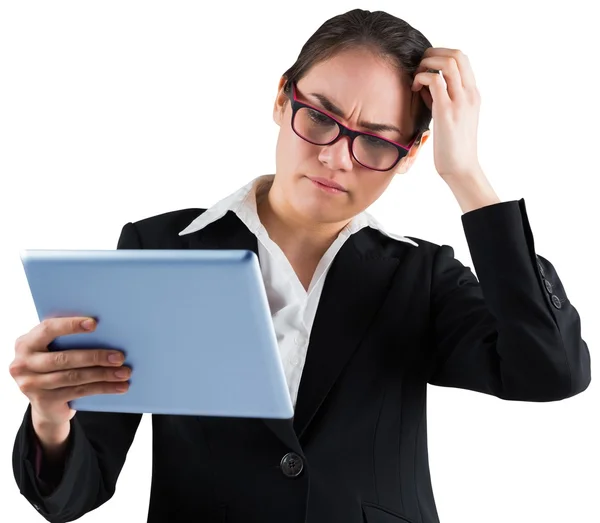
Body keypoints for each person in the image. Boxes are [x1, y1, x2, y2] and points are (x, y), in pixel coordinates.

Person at [9, 8, 591, 523]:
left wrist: (467, 176)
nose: (335, 156)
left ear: (408, 155)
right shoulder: (159, 247)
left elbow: (549, 372)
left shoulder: (423, 276)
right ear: (282, 97)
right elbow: (74, 494)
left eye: (377, 142)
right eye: (319, 117)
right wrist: (52, 418)